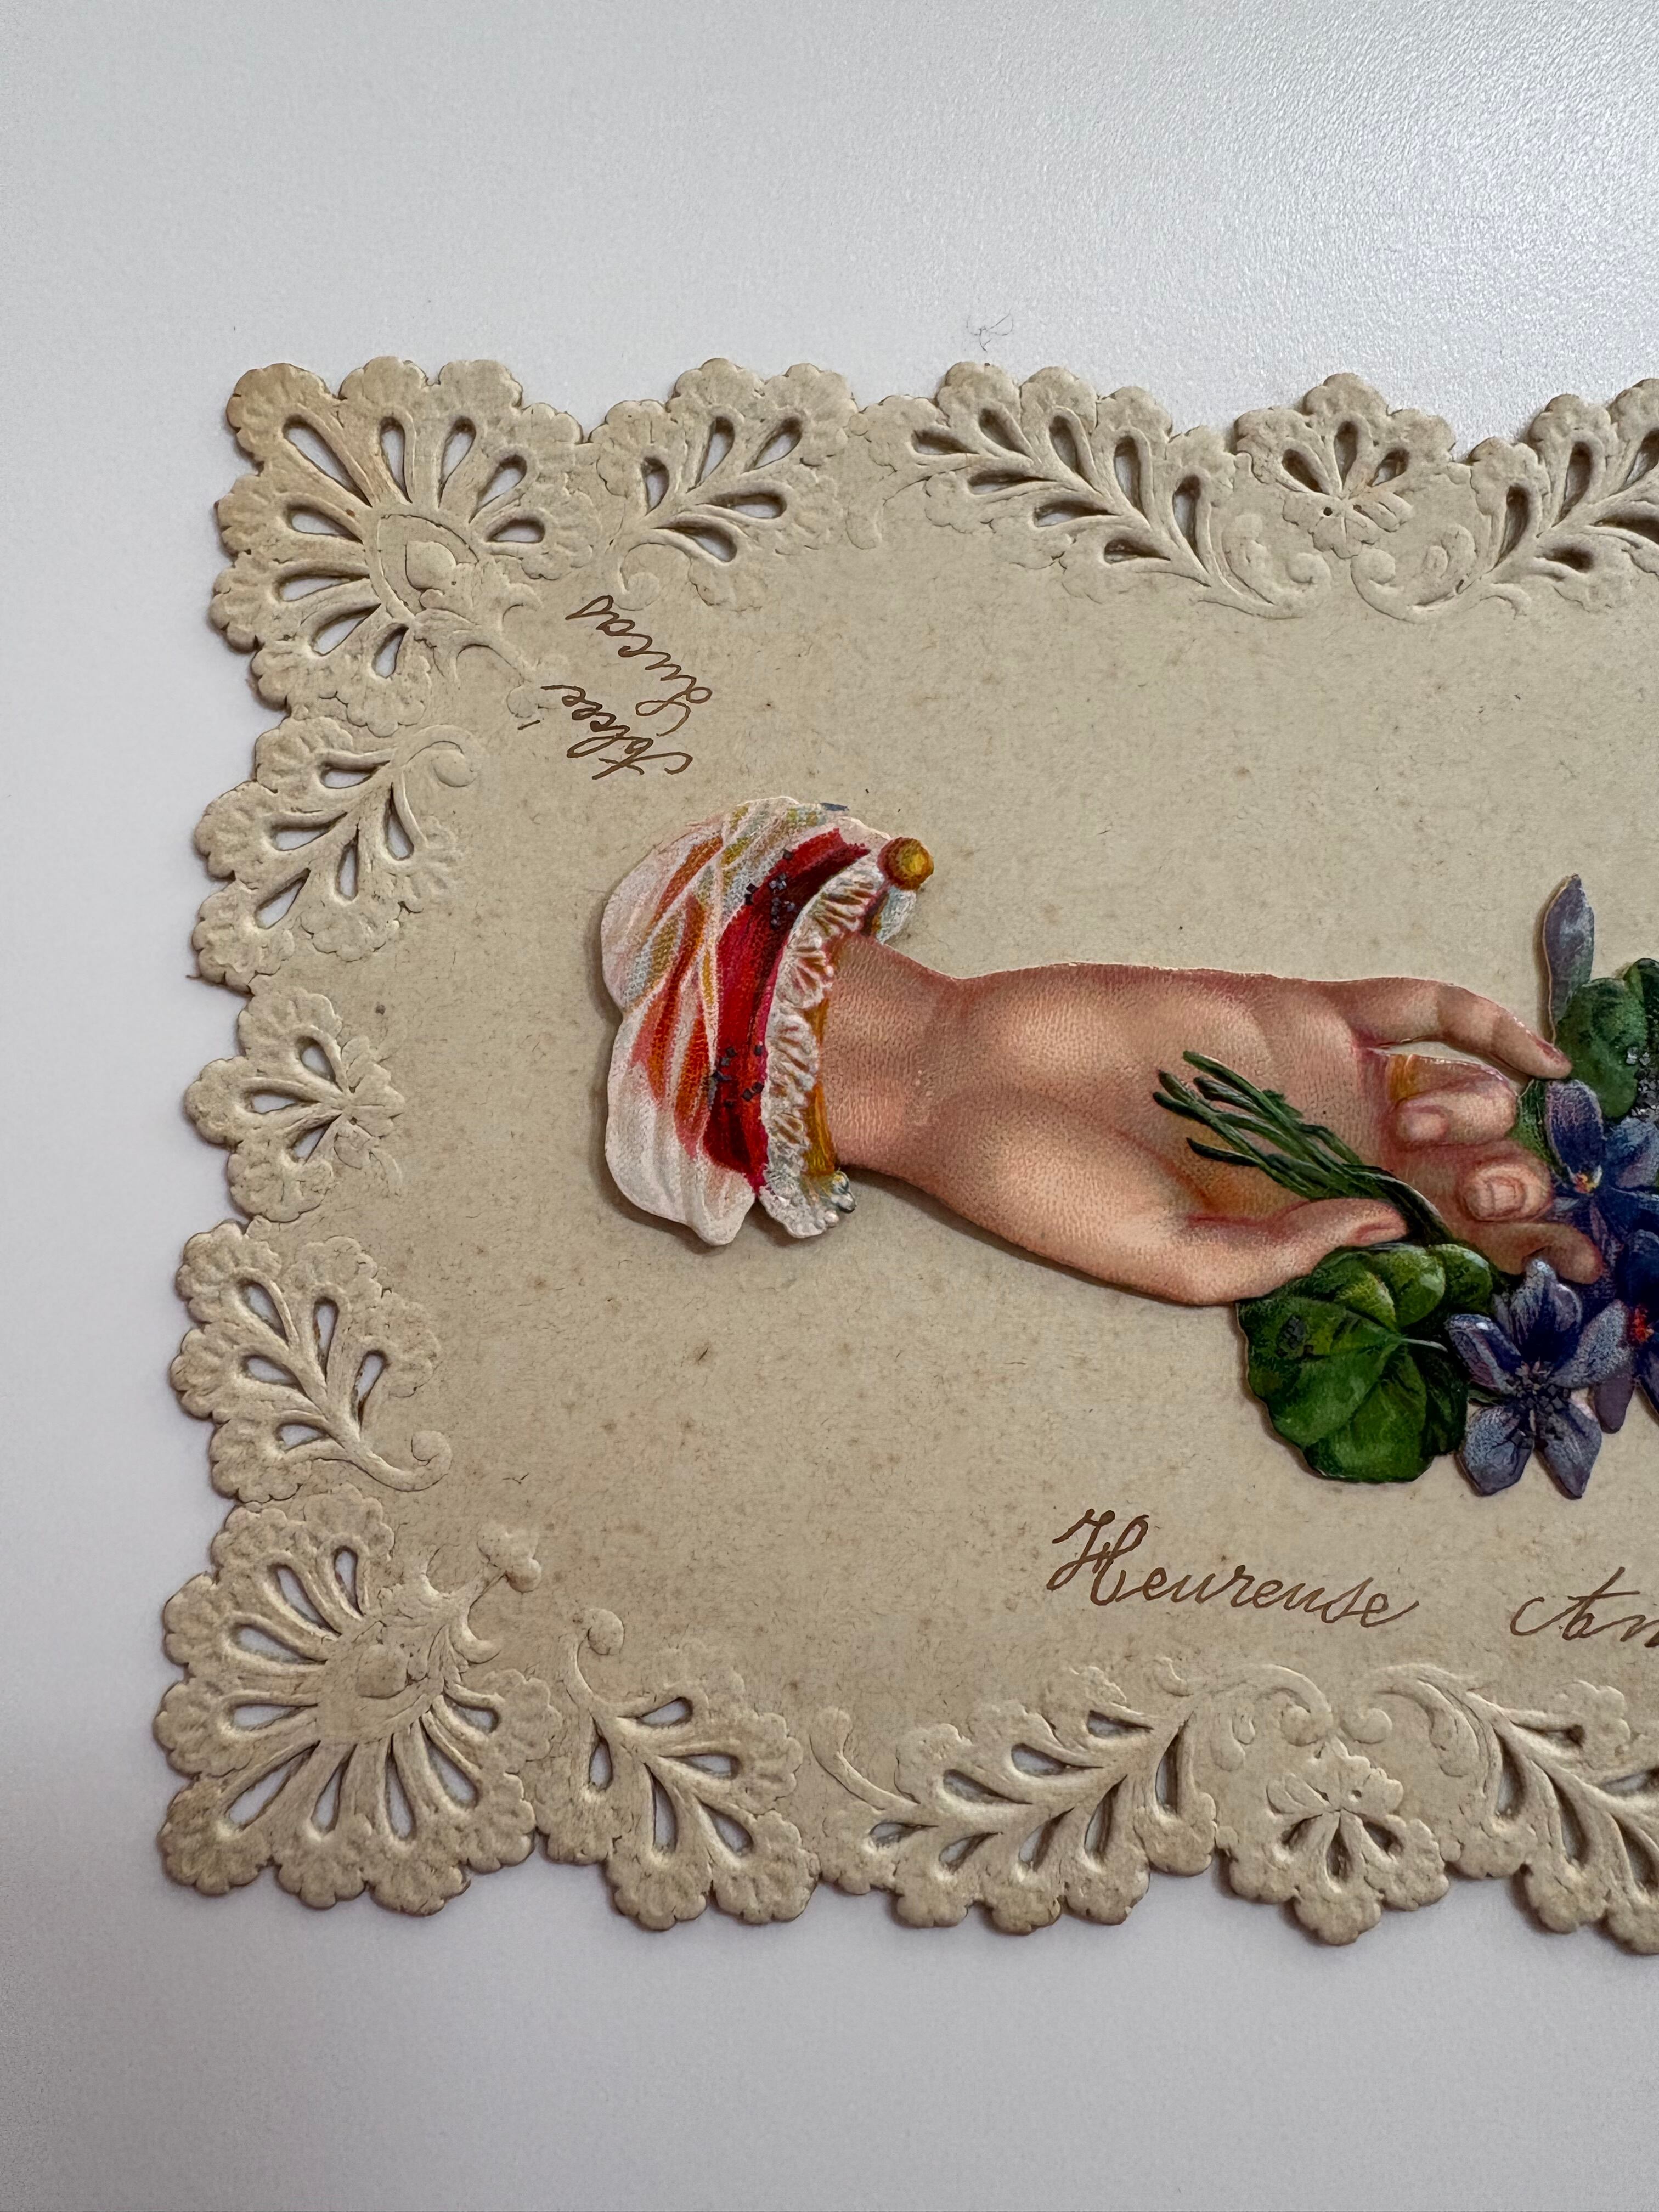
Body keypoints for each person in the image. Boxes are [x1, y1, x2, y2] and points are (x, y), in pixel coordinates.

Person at [600, 797, 1598, 1306]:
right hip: (956, 1132)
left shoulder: (1001, 1134)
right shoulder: (989, 1137)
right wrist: (1252, 1248)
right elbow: (1177, 1255)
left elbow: (1178, 1254)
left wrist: (1257, 1248)